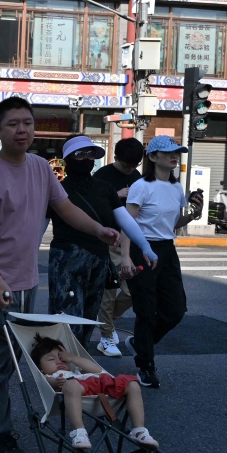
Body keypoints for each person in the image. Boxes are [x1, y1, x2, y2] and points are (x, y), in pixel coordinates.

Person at [0, 96, 120, 453]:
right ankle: (2, 436)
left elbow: (66, 208)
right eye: (13, 124)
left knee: (18, 355)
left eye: (27, 123)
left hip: (27, 280)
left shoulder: (40, 168)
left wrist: (98, 228)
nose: (22, 130)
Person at [47, 136, 156, 348]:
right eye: (80, 154)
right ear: (67, 159)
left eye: (90, 154)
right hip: (65, 261)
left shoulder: (104, 188)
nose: (86, 158)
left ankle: (79, 368)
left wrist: (145, 247)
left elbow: (125, 219)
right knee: (67, 319)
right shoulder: (57, 190)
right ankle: (60, 369)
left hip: (98, 260)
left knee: (88, 320)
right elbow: (38, 226)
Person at [123, 135, 203, 388]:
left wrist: (192, 215)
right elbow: (128, 223)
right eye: (168, 152)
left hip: (167, 250)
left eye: (177, 152)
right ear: (153, 157)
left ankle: (140, 342)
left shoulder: (176, 187)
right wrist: (125, 256)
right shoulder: (141, 186)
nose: (174, 156)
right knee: (145, 311)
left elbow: (174, 223)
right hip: (142, 248)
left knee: (176, 310)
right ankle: (146, 366)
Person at [31, 333, 159, 450]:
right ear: (41, 368)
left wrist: (72, 358)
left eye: (61, 358)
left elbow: (98, 370)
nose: (59, 361)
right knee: (71, 384)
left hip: (99, 386)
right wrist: (55, 382)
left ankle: (139, 430)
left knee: (132, 384)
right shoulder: (51, 377)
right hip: (77, 390)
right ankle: (80, 432)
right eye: (51, 359)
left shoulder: (76, 371)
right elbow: (47, 383)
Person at [92, 137, 145, 356]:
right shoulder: (102, 176)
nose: (130, 169)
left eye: (134, 166)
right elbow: (91, 206)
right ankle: (105, 337)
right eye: (126, 165)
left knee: (131, 290)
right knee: (110, 290)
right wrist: (117, 195)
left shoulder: (137, 176)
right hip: (108, 239)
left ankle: (107, 322)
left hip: (130, 240)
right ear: (116, 158)